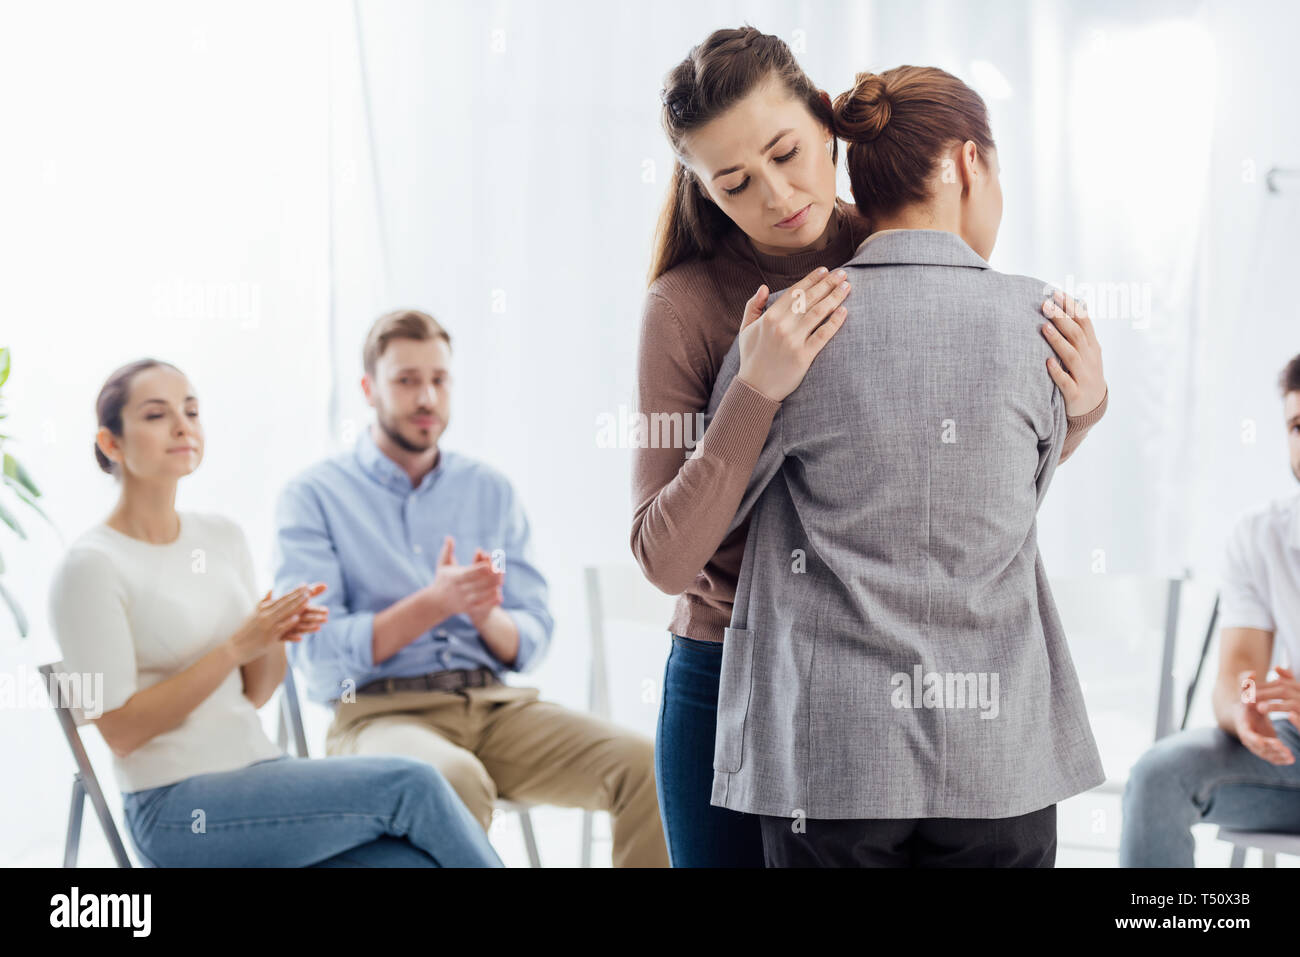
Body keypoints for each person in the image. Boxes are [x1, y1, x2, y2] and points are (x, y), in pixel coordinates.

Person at [634, 25, 1108, 866]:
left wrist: (1079, 408)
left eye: (787, 152)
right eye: (736, 183)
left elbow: (953, 474)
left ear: (828, 124)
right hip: (726, 667)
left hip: (880, 696)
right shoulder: (686, 306)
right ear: (703, 190)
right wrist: (755, 390)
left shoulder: (895, 251)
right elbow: (667, 560)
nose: (777, 194)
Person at [47, 358, 503, 867]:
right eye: (156, 415)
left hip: (261, 777)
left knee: (410, 863)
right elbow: (121, 732)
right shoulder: (90, 568)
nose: (182, 426)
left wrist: (275, 635)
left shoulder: (221, 537)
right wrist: (237, 646)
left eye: (192, 411)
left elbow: (256, 692)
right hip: (174, 807)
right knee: (413, 783)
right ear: (111, 443)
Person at [273, 309, 669, 867]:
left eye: (439, 379)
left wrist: (487, 617)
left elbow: (532, 633)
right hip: (378, 716)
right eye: (406, 380)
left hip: (494, 704)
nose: (427, 397)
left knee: (650, 767)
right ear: (368, 389)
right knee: (454, 779)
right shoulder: (314, 496)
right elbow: (317, 656)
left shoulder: (488, 489)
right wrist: (432, 605)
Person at [1120, 355, 1300, 866]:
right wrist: (1245, 708)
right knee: (1160, 776)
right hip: (1294, 753)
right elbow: (1241, 670)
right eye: (1297, 426)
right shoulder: (1261, 536)